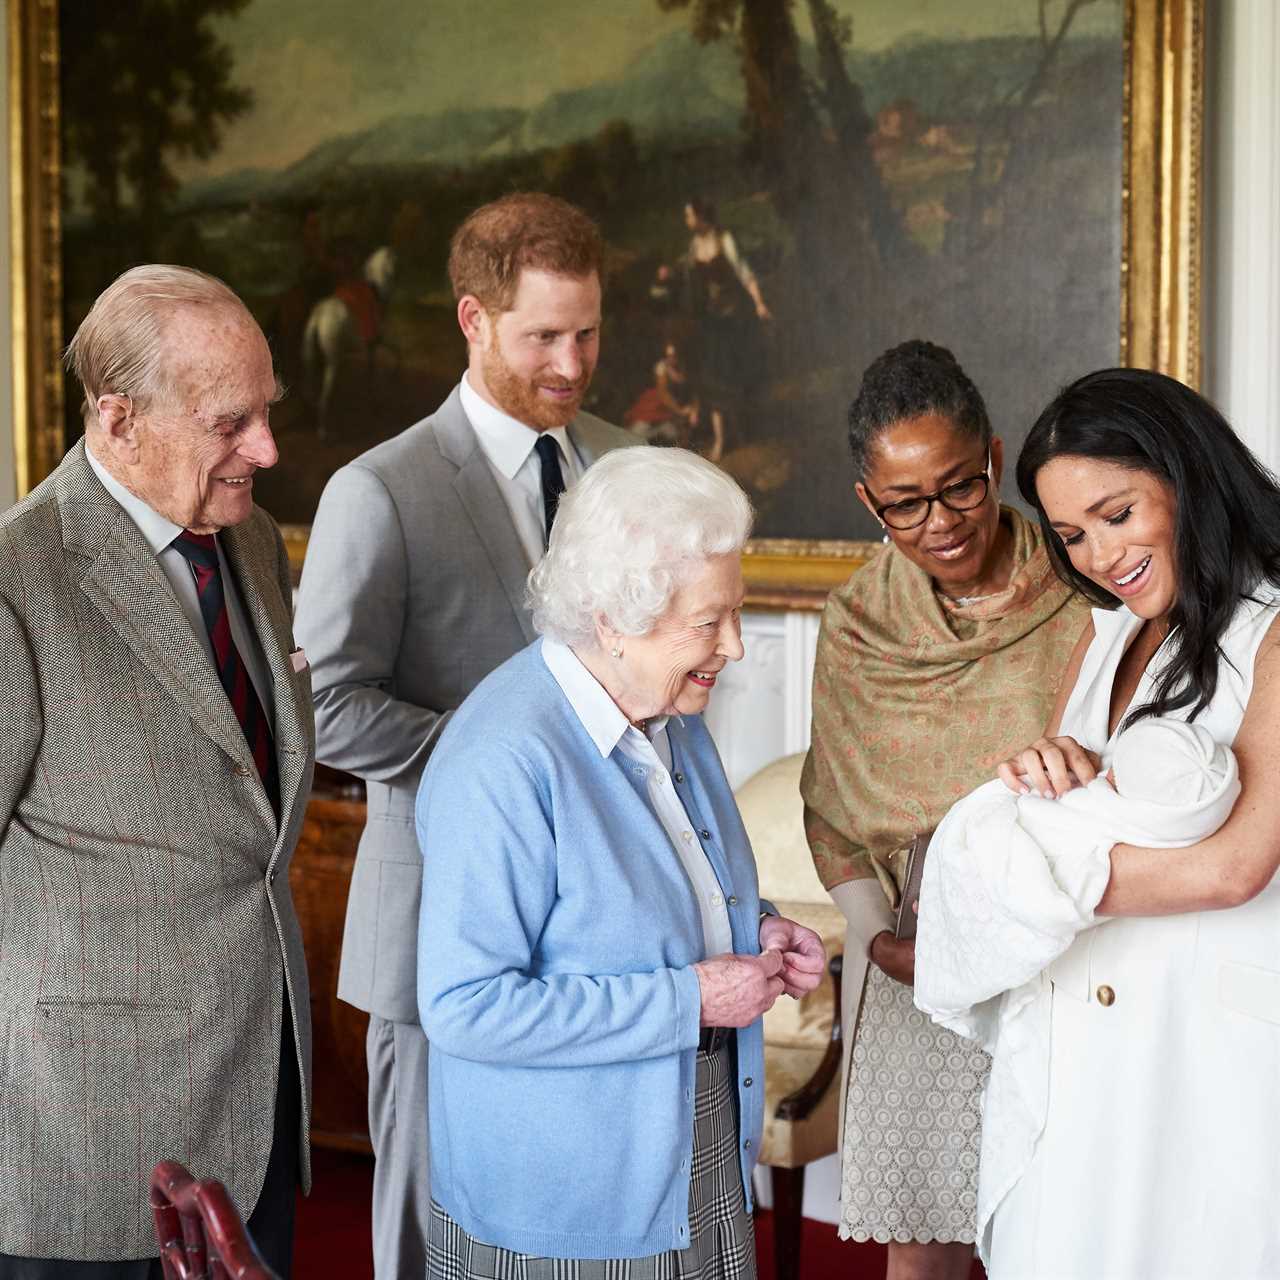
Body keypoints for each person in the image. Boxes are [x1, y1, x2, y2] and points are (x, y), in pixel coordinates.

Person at [292, 192, 640, 1280]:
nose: (572, 363)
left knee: (564, 1229)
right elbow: (329, 705)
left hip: (599, 939)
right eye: (543, 335)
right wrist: (511, 768)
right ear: (472, 321)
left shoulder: (626, 466)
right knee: (420, 1232)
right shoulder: (379, 490)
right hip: (435, 926)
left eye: (586, 332)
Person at [415, 446, 825, 1278]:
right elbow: (466, 1006)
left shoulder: (670, 712)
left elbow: (652, 898)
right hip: (569, 1203)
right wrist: (693, 997)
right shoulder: (503, 757)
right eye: (709, 622)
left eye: (735, 614)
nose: (736, 646)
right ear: (613, 620)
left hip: (692, 1143)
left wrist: (761, 928)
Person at [0, 265, 314, 1277]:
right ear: (118, 416)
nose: (264, 449)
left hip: (257, 1097)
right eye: (230, 422)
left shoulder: (253, 539)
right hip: (86, 1136)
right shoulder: (17, 577)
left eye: (266, 412)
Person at [973, 367, 1280, 1279]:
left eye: (1117, 514)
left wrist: (1016, 874)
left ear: (1187, 476)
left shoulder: (1273, 631)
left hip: (1204, 1053)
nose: (1099, 556)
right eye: (1071, 535)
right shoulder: (1109, 633)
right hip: (1084, 1042)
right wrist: (1046, 774)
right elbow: (1068, 803)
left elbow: (1238, 866)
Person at [800, 341, 1089, 1280]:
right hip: (920, 956)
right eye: (905, 504)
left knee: (1062, 1230)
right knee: (928, 1250)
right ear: (868, 504)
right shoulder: (858, 626)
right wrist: (878, 935)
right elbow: (837, 814)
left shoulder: (1086, 587)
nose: (941, 522)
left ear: (996, 459)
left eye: (960, 487)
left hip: (1071, 942)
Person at [914, 718, 1240, 1258]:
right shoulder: (1103, 637)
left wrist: (980, 887)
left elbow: (1230, 871)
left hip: (1146, 1006)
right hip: (1069, 1002)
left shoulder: (1111, 813)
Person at [680, 199, 771, 462]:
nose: (686, 221)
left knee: (735, 375)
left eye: (688, 215)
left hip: (734, 320)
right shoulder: (693, 247)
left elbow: (745, 273)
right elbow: (691, 287)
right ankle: (721, 439)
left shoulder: (724, 239)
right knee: (713, 378)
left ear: (700, 215)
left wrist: (759, 303)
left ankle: (746, 432)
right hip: (710, 324)